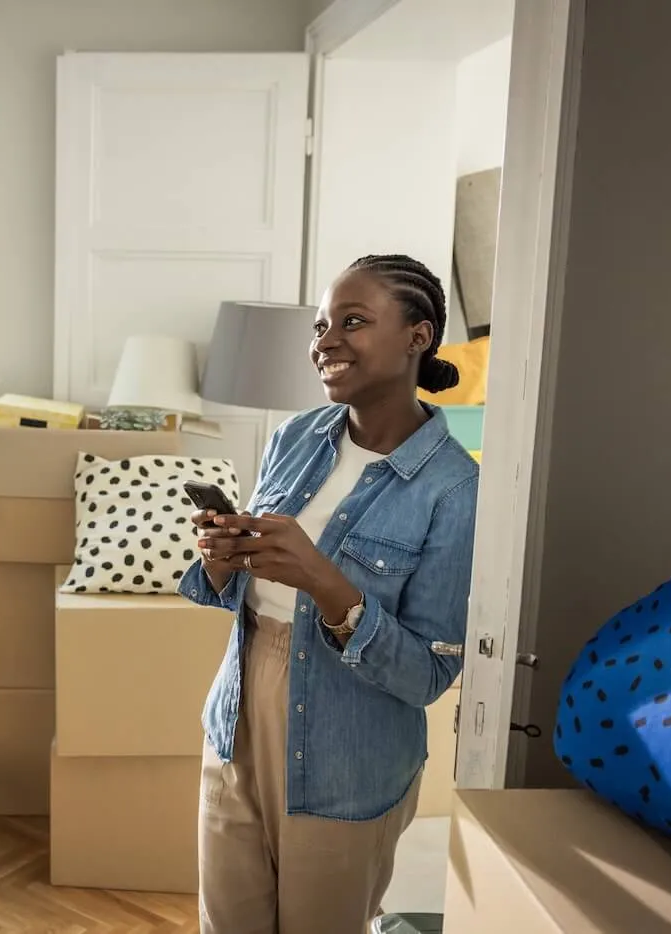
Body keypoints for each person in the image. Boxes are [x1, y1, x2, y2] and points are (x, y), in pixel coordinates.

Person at [178, 253, 480, 934]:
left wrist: (322, 579)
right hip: (236, 720)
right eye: (320, 326)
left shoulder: (455, 490)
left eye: (352, 321)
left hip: (350, 750)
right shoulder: (295, 437)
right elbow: (244, 596)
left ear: (417, 336)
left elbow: (429, 674)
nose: (324, 342)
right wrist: (224, 559)